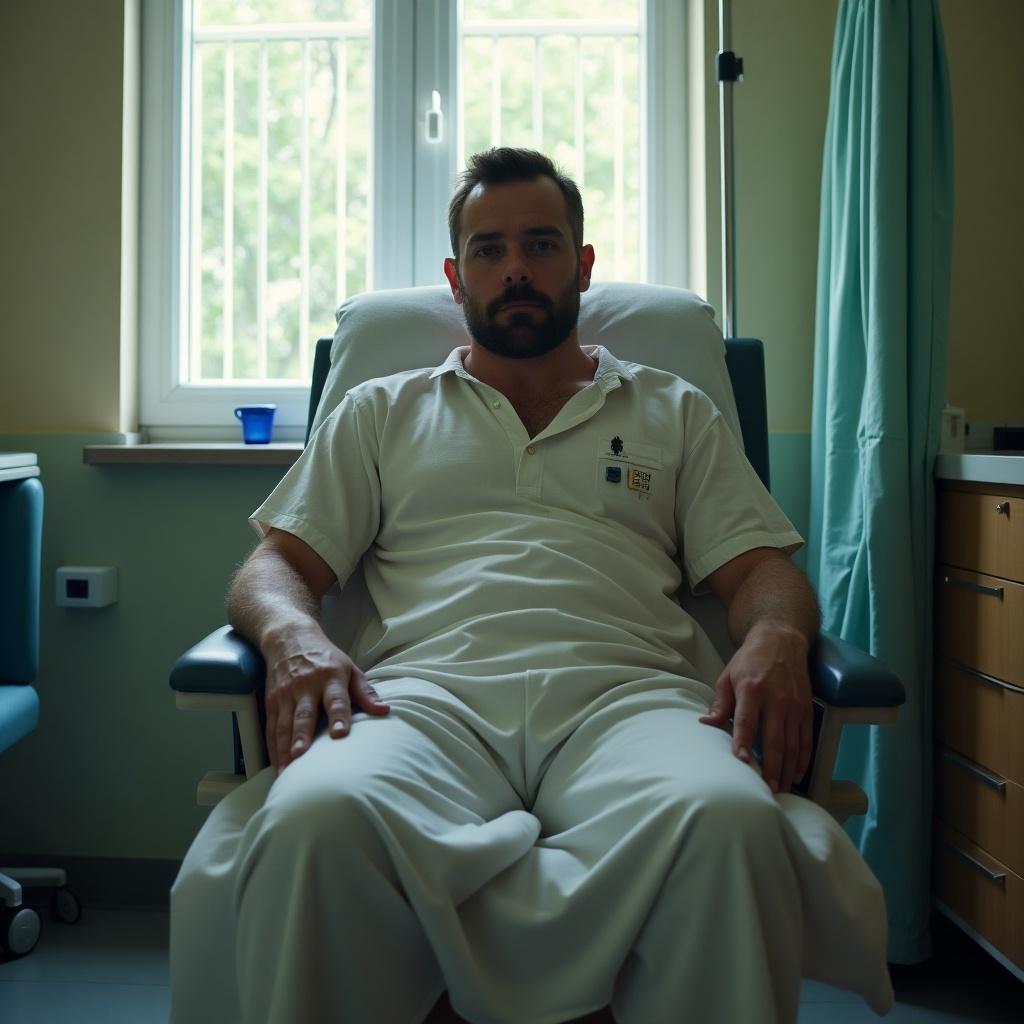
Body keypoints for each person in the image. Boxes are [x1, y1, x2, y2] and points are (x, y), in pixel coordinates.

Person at [170, 148, 894, 1024]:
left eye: (542, 244)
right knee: (316, 818)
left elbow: (761, 571)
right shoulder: (381, 412)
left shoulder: (673, 411)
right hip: (422, 703)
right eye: (488, 249)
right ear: (456, 277)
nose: (515, 267)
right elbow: (275, 566)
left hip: (632, 703)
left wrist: (778, 636)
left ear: (583, 265)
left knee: (729, 822)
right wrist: (293, 637)